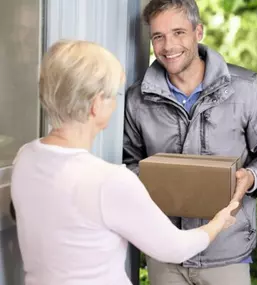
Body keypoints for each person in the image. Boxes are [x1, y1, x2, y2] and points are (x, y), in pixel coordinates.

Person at [11, 40, 238, 285]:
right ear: (96, 105)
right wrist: (217, 223)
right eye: (113, 95)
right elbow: (175, 248)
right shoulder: (108, 181)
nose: (116, 102)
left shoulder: (26, 157)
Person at [123, 1, 257, 284]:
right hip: (166, 250)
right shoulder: (138, 98)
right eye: (158, 36)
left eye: (178, 33)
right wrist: (154, 180)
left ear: (198, 31)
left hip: (226, 251)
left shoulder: (244, 88)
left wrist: (252, 176)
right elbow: (128, 162)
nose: (168, 46)